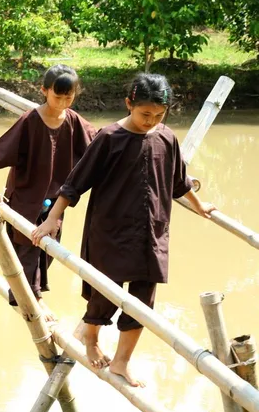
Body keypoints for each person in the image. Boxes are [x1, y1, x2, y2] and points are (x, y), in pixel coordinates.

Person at [31, 73, 215, 387]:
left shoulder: (167, 138)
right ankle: (92, 340)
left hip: (152, 233)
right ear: (129, 103)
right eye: (145, 114)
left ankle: (122, 361)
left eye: (159, 115)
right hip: (110, 232)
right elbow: (75, 183)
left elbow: (179, 182)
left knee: (143, 302)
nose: (151, 121)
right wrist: (52, 219)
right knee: (104, 293)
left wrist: (199, 206)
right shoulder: (109, 138)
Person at [0, 65, 96, 312]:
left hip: (55, 201)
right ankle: (32, 300)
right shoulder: (31, 120)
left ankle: (33, 294)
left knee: (47, 248)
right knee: (27, 246)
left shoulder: (73, 121)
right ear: (44, 91)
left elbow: (98, 142)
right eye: (57, 97)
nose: (62, 103)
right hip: (26, 196)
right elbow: (3, 147)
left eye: (68, 98)